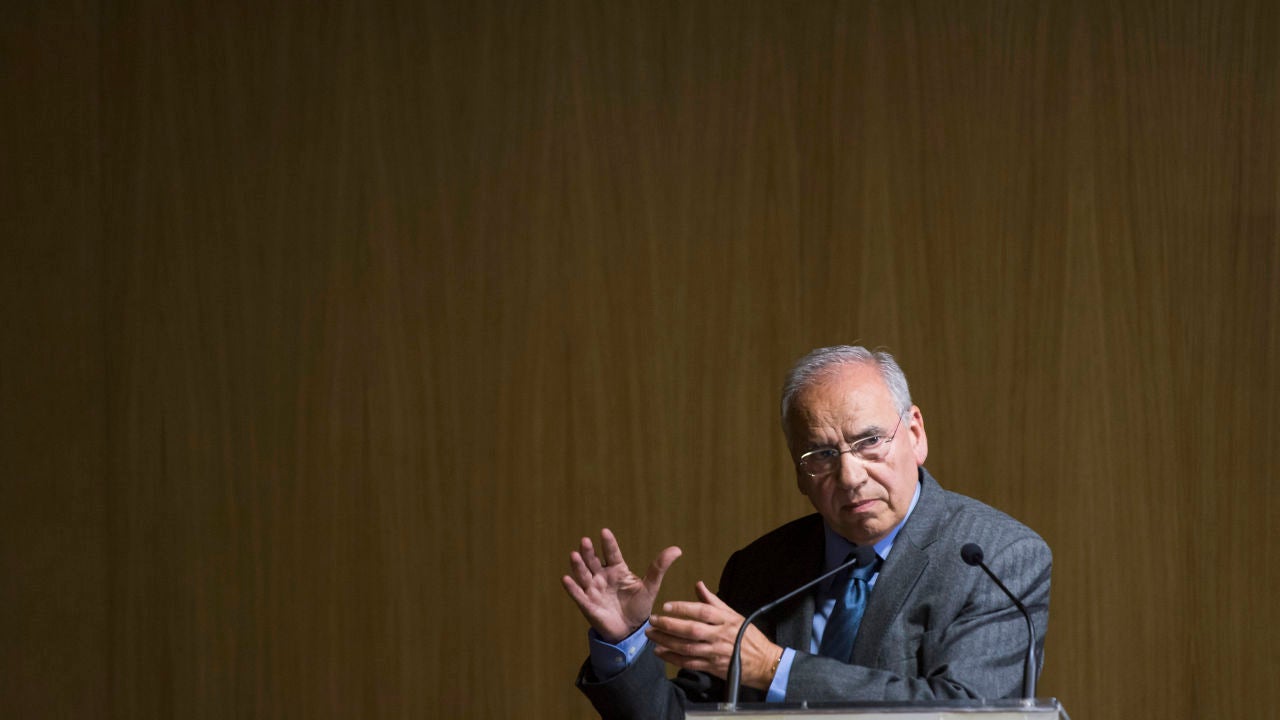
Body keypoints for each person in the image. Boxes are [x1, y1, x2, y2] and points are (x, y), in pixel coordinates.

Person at [562, 346, 1052, 719]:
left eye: (869, 441)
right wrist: (625, 642)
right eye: (822, 455)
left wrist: (775, 669)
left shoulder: (998, 557)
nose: (850, 476)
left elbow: (967, 711)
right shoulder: (761, 567)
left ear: (916, 434)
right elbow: (692, 717)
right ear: (799, 473)